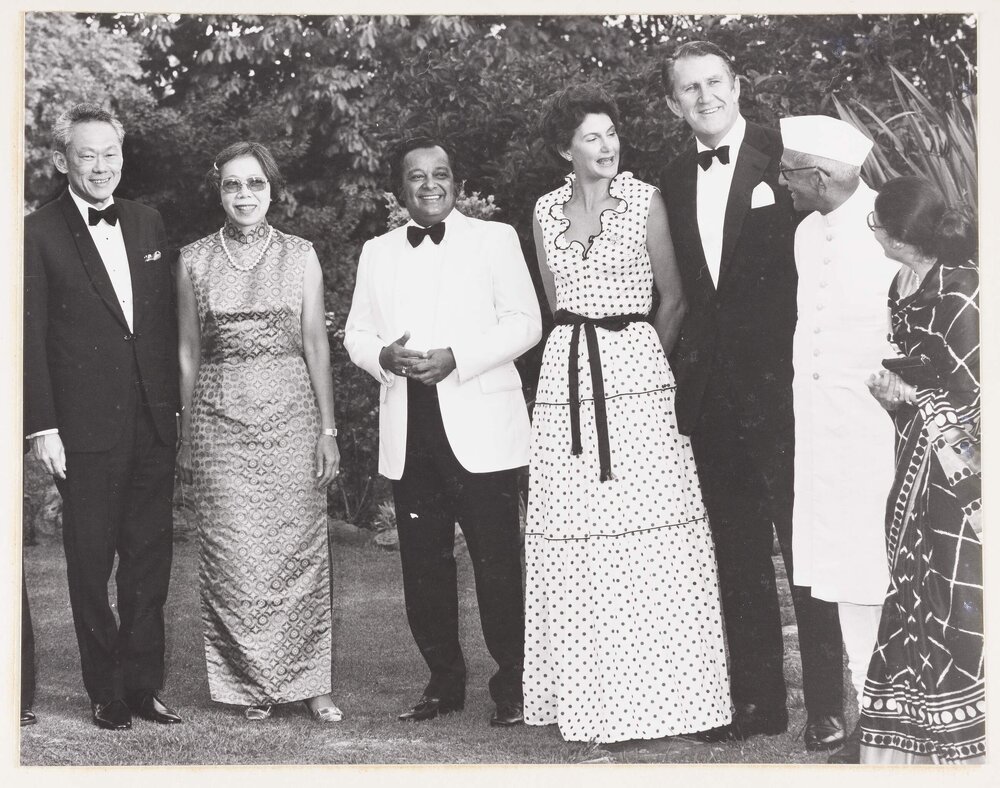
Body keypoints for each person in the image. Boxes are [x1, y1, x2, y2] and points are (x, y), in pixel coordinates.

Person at [523, 84, 730, 744]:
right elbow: (558, 300)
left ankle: (665, 700)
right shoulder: (544, 210)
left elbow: (671, 299)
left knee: (651, 536)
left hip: (638, 374)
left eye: (611, 133)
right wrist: (588, 359)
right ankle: (593, 699)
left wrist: (640, 364)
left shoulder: (646, 200)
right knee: (577, 537)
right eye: (592, 136)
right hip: (566, 379)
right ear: (565, 147)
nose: (607, 145)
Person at [659, 42, 846, 748]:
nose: (704, 97)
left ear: (737, 87)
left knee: (807, 552)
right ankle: (758, 705)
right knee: (736, 556)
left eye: (714, 83)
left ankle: (828, 706)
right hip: (713, 398)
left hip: (785, 389)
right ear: (674, 103)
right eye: (689, 89)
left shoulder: (787, 157)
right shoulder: (674, 179)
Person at [344, 135, 541, 727]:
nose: (431, 185)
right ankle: (443, 682)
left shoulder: (495, 239)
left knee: (499, 564)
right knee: (424, 568)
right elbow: (355, 333)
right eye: (417, 176)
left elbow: (527, 323)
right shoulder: (377, 252)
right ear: (399, 187)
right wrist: (383, 355)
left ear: (455, 181)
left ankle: (514, 683)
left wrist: (460, 356)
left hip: (481, 425)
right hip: (411, 433)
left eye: (441, 174)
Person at [23, 103, 181, 731]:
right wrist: (42, 426)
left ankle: (143, 686)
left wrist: (174, 411)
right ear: (62, 161)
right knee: (91, 563)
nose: (100, 166)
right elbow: (28, 336)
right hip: (81, 431)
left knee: (149, 559)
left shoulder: (147, 222)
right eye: (86, 155)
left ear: (123, 156)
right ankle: (105, 690)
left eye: (109, 153)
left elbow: (164, 325)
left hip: (151, 421)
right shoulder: (35, 232)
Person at [176, 142, 342, 723]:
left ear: (272, 189)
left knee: (300, 554)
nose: (244, 195)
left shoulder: (300, 254)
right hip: (219, 419)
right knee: (234, 555)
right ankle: (250, 686)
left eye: (254, 184)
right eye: (231, 185)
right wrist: (189, 429)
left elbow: (316, 343)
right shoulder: (193, 259)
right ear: (218, 190)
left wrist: (327, 429)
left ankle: (312, 684)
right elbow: (187, 350)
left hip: (293, 416)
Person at [778, 115, 901, 763]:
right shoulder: (803, 232)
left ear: (820, 175)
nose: (781, 181)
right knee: (838, 573)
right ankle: (868, 719)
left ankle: (892, 718)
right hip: (821, 437)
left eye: (789, 171)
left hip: (881, 440)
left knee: (880, 572)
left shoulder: (892, 223)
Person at [860, 177, 982, 764]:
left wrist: (909, 394)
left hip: (959, 467)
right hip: (911, 453)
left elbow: (974, 392)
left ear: (901, 235)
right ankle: (914, 731)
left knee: (956, 583)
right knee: (911, 581)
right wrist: (895, 393)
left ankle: (968, 738)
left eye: (876, 225)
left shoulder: (963, 291)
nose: (874, 234)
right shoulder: (901, 281)